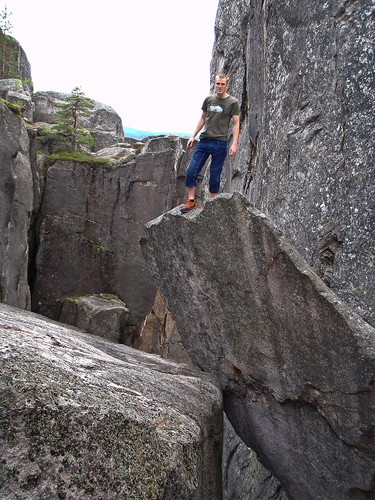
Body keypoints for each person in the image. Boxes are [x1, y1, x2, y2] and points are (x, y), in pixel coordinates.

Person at [181, 74, 240, 213]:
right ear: (215, 84)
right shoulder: (209, 100)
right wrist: (193, 135)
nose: (219, 86)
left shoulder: (232, 103)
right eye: (218, 84)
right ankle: (191, 201)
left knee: (215, 175)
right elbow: (202, 118)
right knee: (191, 170)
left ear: (227, 85)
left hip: (220, 143)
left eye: (222, 84)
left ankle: (212, 205)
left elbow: (236, 124)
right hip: (204, 141)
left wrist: (235, 144)